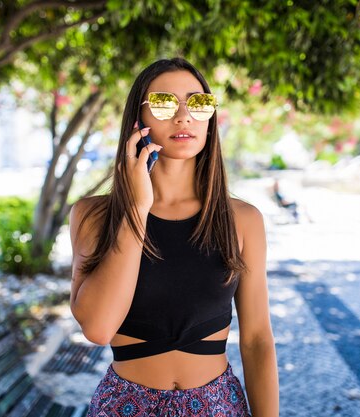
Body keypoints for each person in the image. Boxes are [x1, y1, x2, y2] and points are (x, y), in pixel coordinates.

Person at [69, 57, 279, 416]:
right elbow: (99, 328)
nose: (184, 116)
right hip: (124, 407)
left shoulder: (242, 220)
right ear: (139, 120)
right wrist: (136, 208)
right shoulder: (95, 215)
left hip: (218, 407)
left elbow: (258, 340)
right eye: (165, 103)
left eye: (198, 103)